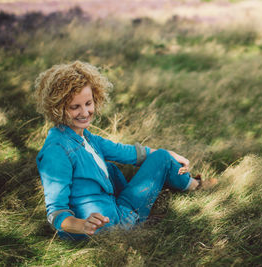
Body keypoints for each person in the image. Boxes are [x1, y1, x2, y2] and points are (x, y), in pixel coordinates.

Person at [35, 60, 200, 240]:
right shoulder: (56, 150)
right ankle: (194, 185)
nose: (85, 112)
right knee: (160, 156)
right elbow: (55, 212)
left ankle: (174, 180)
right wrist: (82, 225)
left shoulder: (86, 137)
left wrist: (173, 155)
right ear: (58, 108)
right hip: (115, 224)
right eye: (75, 107)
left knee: (113, 168)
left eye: (88, 103)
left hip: (109, 214)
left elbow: (129, 153)